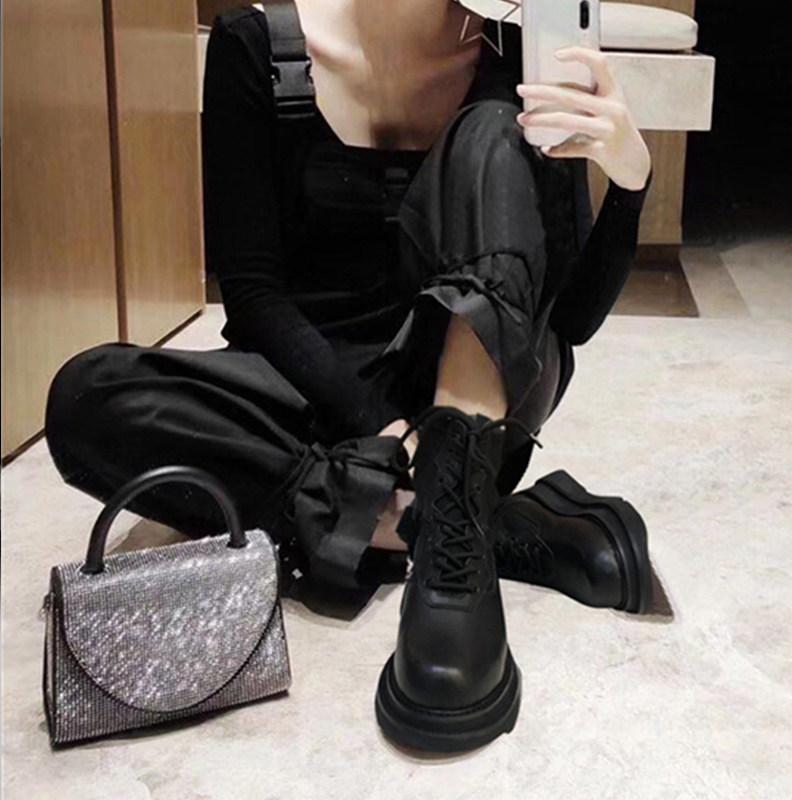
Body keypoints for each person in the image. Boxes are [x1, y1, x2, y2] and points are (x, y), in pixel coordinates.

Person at [45, 0, 653, 750]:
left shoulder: (517, 59)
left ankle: (442, 554)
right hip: (317, 392)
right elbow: (254, 295)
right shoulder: (258, 44)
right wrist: (378, 430)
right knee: (89, 397)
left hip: (470, 393)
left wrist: (630, 180)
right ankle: (466, 524)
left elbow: (571, 321)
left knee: (495, 129)